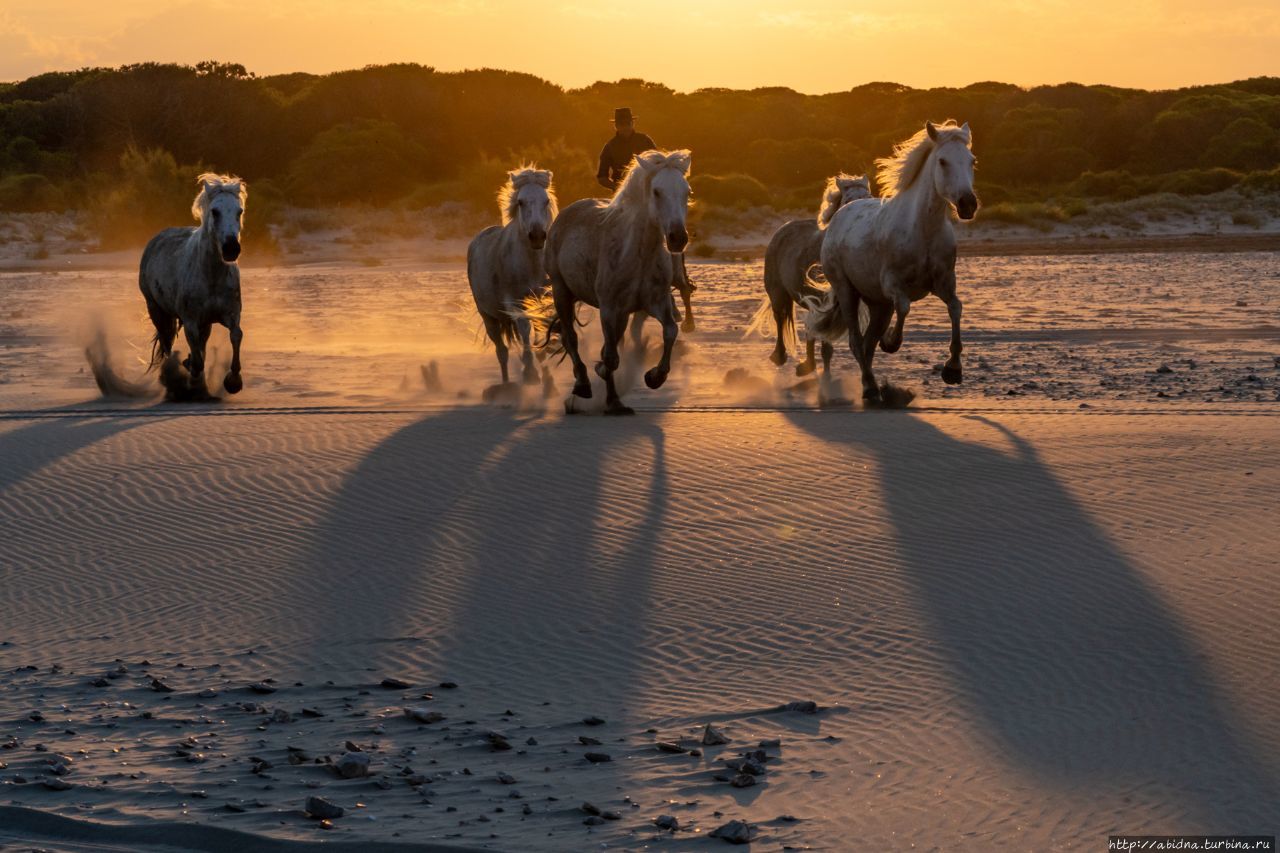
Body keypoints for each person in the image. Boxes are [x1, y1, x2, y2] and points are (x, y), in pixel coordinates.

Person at [596, 107, 697, 330]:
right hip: (624, 199)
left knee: (668, 231)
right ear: (616, 125)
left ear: (632, 123)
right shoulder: (610, 147)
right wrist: (617, 186)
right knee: (606, 229)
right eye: (621, 124)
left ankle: (680, 280)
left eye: (627, 123)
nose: (624, 127)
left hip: (651, 198)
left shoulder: (645, 140)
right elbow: (602, 176)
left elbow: (660, 168)